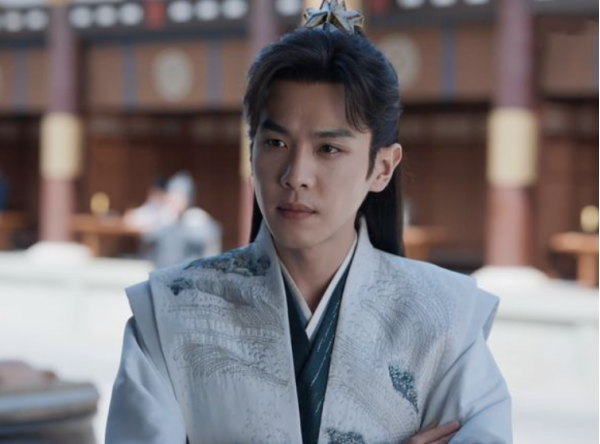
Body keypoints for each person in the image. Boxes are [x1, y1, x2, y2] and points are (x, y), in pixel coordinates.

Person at [106, 1, 512, 443]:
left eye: (328, 149)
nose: (295, 175)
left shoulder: (444, 319)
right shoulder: (168, 312)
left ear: (382, 168)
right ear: (251, 151)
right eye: (276, 143)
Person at [142, 171, 222, 268]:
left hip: (188, 273)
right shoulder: (167, 217)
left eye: (178, 196)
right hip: (164, 272)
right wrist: (165, 221)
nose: (174, 200)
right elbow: (148, 239)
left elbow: (211, 246)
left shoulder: (196, 218)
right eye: (172, 196)